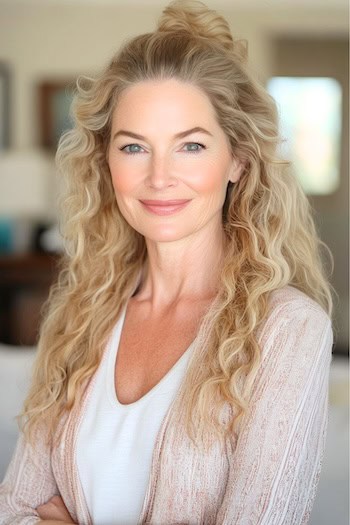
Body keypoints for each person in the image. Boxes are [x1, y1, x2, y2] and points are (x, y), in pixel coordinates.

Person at [0, 1, 335, 524]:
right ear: (106, 161)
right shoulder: (80, 317)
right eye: (134, 148)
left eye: (191, 146)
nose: (160, 178)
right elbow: (14, 507)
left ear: (238, 162)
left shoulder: (289, 331)